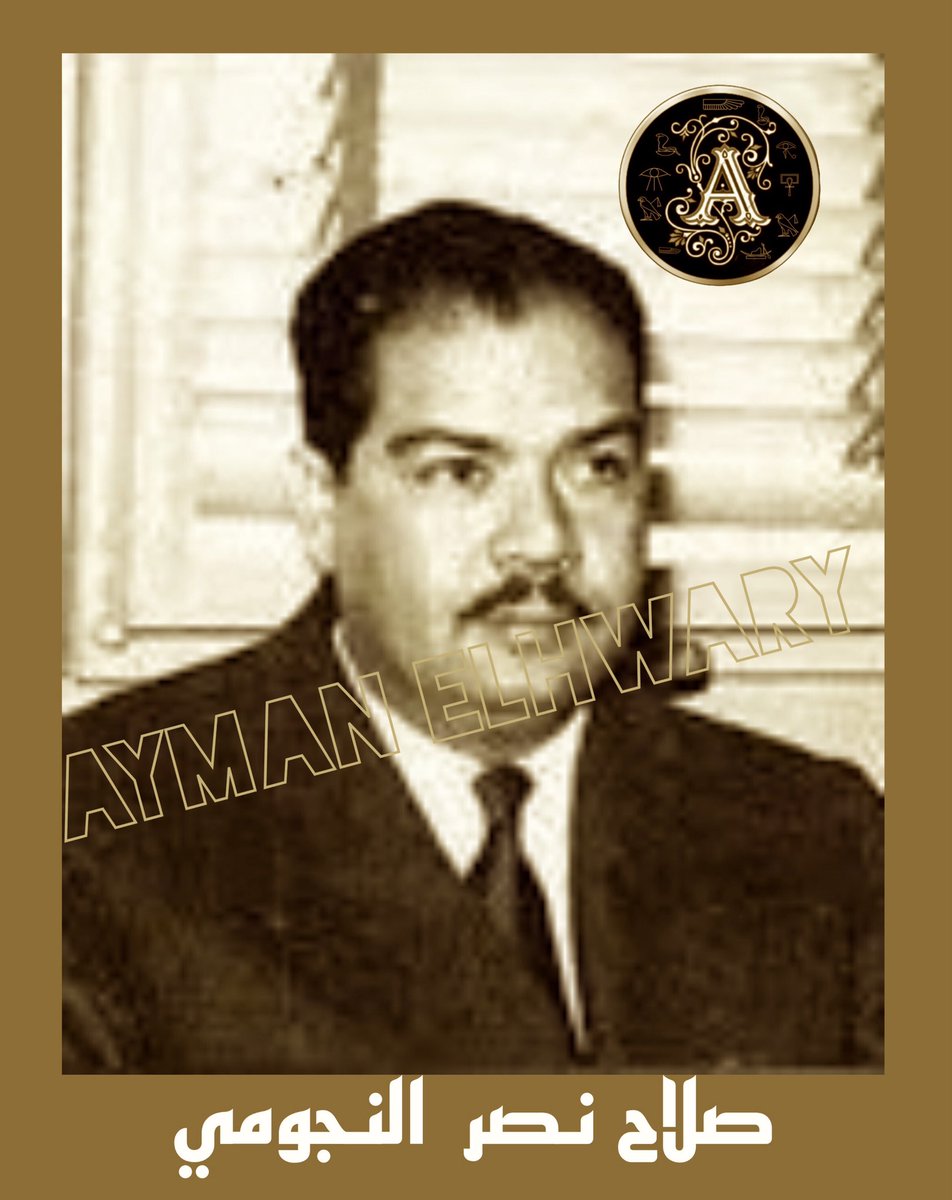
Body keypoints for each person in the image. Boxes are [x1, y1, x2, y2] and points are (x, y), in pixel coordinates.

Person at [62, 200, 883, 1073]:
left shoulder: (819, 835)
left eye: (596, 467)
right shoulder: (94, 829)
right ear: (320, 505)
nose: (543, 541)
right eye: (461, 472)